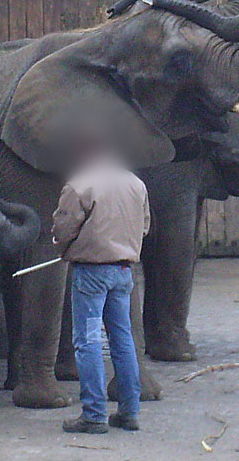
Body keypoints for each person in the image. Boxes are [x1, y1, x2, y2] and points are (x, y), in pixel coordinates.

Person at [52, 154, 150, 434]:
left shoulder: (79, 186)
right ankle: (129, 412)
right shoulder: (136, 184)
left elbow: (63, 229)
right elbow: (144, 226)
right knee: (123, 339)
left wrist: (65, 250)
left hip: (91, 274)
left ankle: (94, 415)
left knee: (88, 341)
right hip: (123, 273)